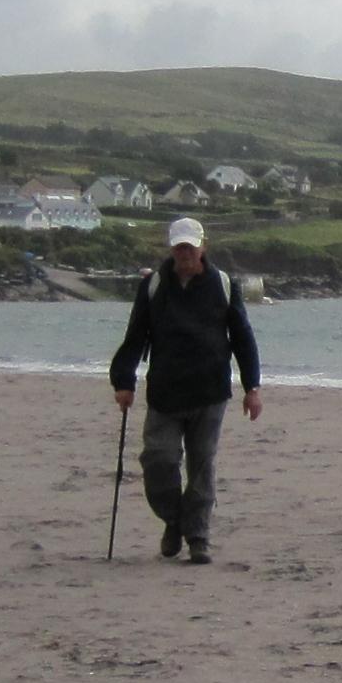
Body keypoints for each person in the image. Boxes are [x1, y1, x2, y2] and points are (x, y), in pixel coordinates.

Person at [108, 217, 262, 565]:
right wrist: (123, 381)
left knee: (202, 466)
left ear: (203, 247)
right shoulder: (153, 286)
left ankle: (198, 537)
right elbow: (135, 336)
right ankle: (174, 520)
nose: (185, 253)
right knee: (157, 461)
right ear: (172, 248)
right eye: (179, 247)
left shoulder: (223, 285)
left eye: (190, 247)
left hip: (210, 391)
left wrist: (252, 387)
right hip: (165, 392)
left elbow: (242, 337)